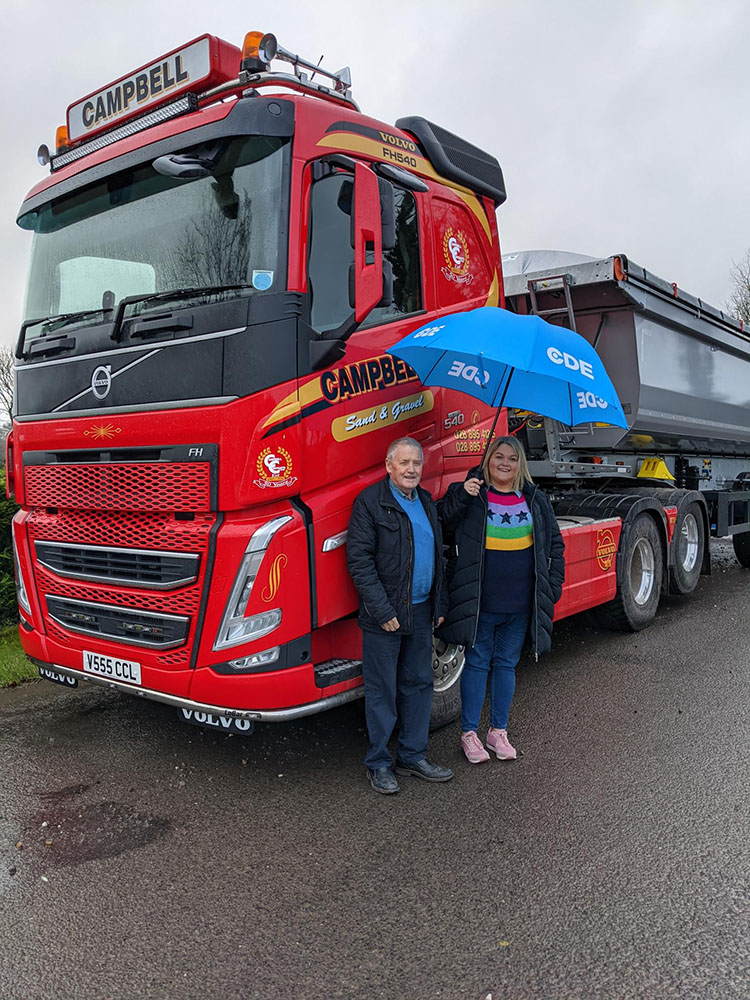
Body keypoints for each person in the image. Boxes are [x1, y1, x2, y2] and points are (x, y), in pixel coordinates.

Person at [437, 436, 565, 764]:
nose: (504, 463)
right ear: (488, 460)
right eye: (498, 457)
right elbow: (442, 526)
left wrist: (551, 589)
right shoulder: (472, 493)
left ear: (520, 463)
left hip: (520, 604)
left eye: (511, 458)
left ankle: (498, 731)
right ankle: (469, 734)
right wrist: (462, 497)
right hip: (481, 601)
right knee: (478, 664)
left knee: (506, 665)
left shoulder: (534, 499)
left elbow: (554, 546)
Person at [347, 436, 453, 794]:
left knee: (420, 685)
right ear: (389, 466)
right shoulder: (370, 503)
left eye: (416, 464)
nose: (411, 470)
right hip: (385, 617)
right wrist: (382, 610)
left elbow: (437, 556)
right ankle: (378, 763)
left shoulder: (425, 500)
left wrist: (439, 607)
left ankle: (412, 756)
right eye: (404, 463)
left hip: (422, 613)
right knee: (381, 691)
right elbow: (359, 562)